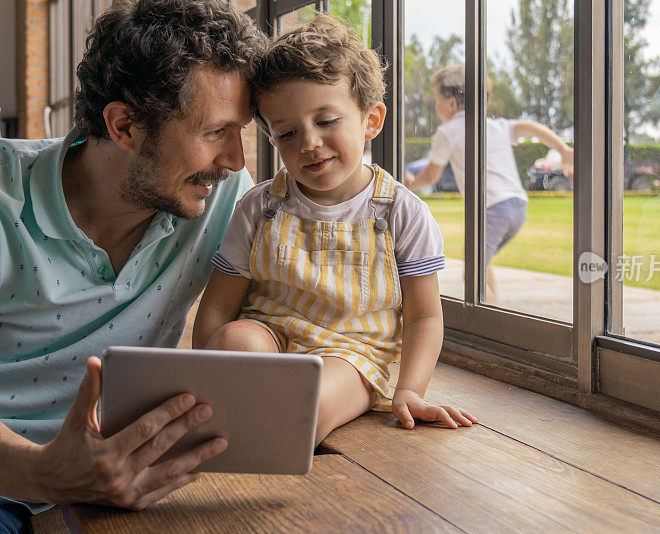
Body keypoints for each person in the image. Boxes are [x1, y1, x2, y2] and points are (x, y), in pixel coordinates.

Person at [0, 0, 266, 526]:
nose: (236, 160)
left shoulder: (223, 196)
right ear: (124, 126)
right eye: (215, 133)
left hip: (124, 489)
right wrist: (45, 473)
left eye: (241, 131)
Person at [193, 15, 476, 446]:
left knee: (313, 401)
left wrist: (411, 391)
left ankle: (265, 442)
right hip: (271, 336)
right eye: (288, 132)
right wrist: (204, 370)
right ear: (273, 140)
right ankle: (225, 428)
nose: (308, 142)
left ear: (371, 120)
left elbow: (424, 316)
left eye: (326, 121)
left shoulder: (402, 212)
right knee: (234, 338)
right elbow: (218, 306)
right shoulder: (259, 206)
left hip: (351, 356)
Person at [404, 63, 575, 303]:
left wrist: (410, 184)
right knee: (482, 263)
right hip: (517, 207)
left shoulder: (448, 131)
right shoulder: (494, 126)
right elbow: (531, 127)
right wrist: (563, 148)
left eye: (437, 100)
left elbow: (432, 174)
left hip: (493, 210)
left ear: (451, 104)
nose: (435, 106)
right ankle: (495, 310)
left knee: (473, 276)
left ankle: (493, 322)